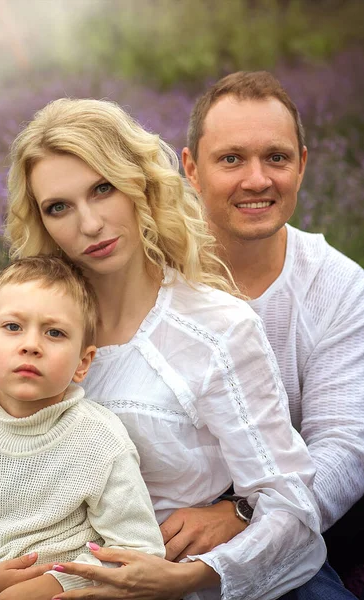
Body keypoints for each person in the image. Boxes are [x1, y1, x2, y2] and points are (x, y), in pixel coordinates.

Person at [0, 96, 328, 600]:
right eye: (58, 207)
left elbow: (290, 503)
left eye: (102, 189)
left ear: (139, 185)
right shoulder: (29, 331)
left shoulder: (216, 328)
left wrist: (190, 576)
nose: (88, 225)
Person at [182, 70, 364, 598]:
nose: (257, 179)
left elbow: (343, 446)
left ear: (302, 165)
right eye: (231, 158)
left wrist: (244, 512)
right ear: (191, 168)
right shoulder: (151, 272)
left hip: (290, 521)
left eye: (277, 158)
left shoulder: (338, 286)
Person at [0, 255, 165, 600]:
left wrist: (57, 585)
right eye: (13, 327)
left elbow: (138, 548)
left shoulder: (99, 437)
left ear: (82, 363)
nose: (31, 345)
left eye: (54, 332)